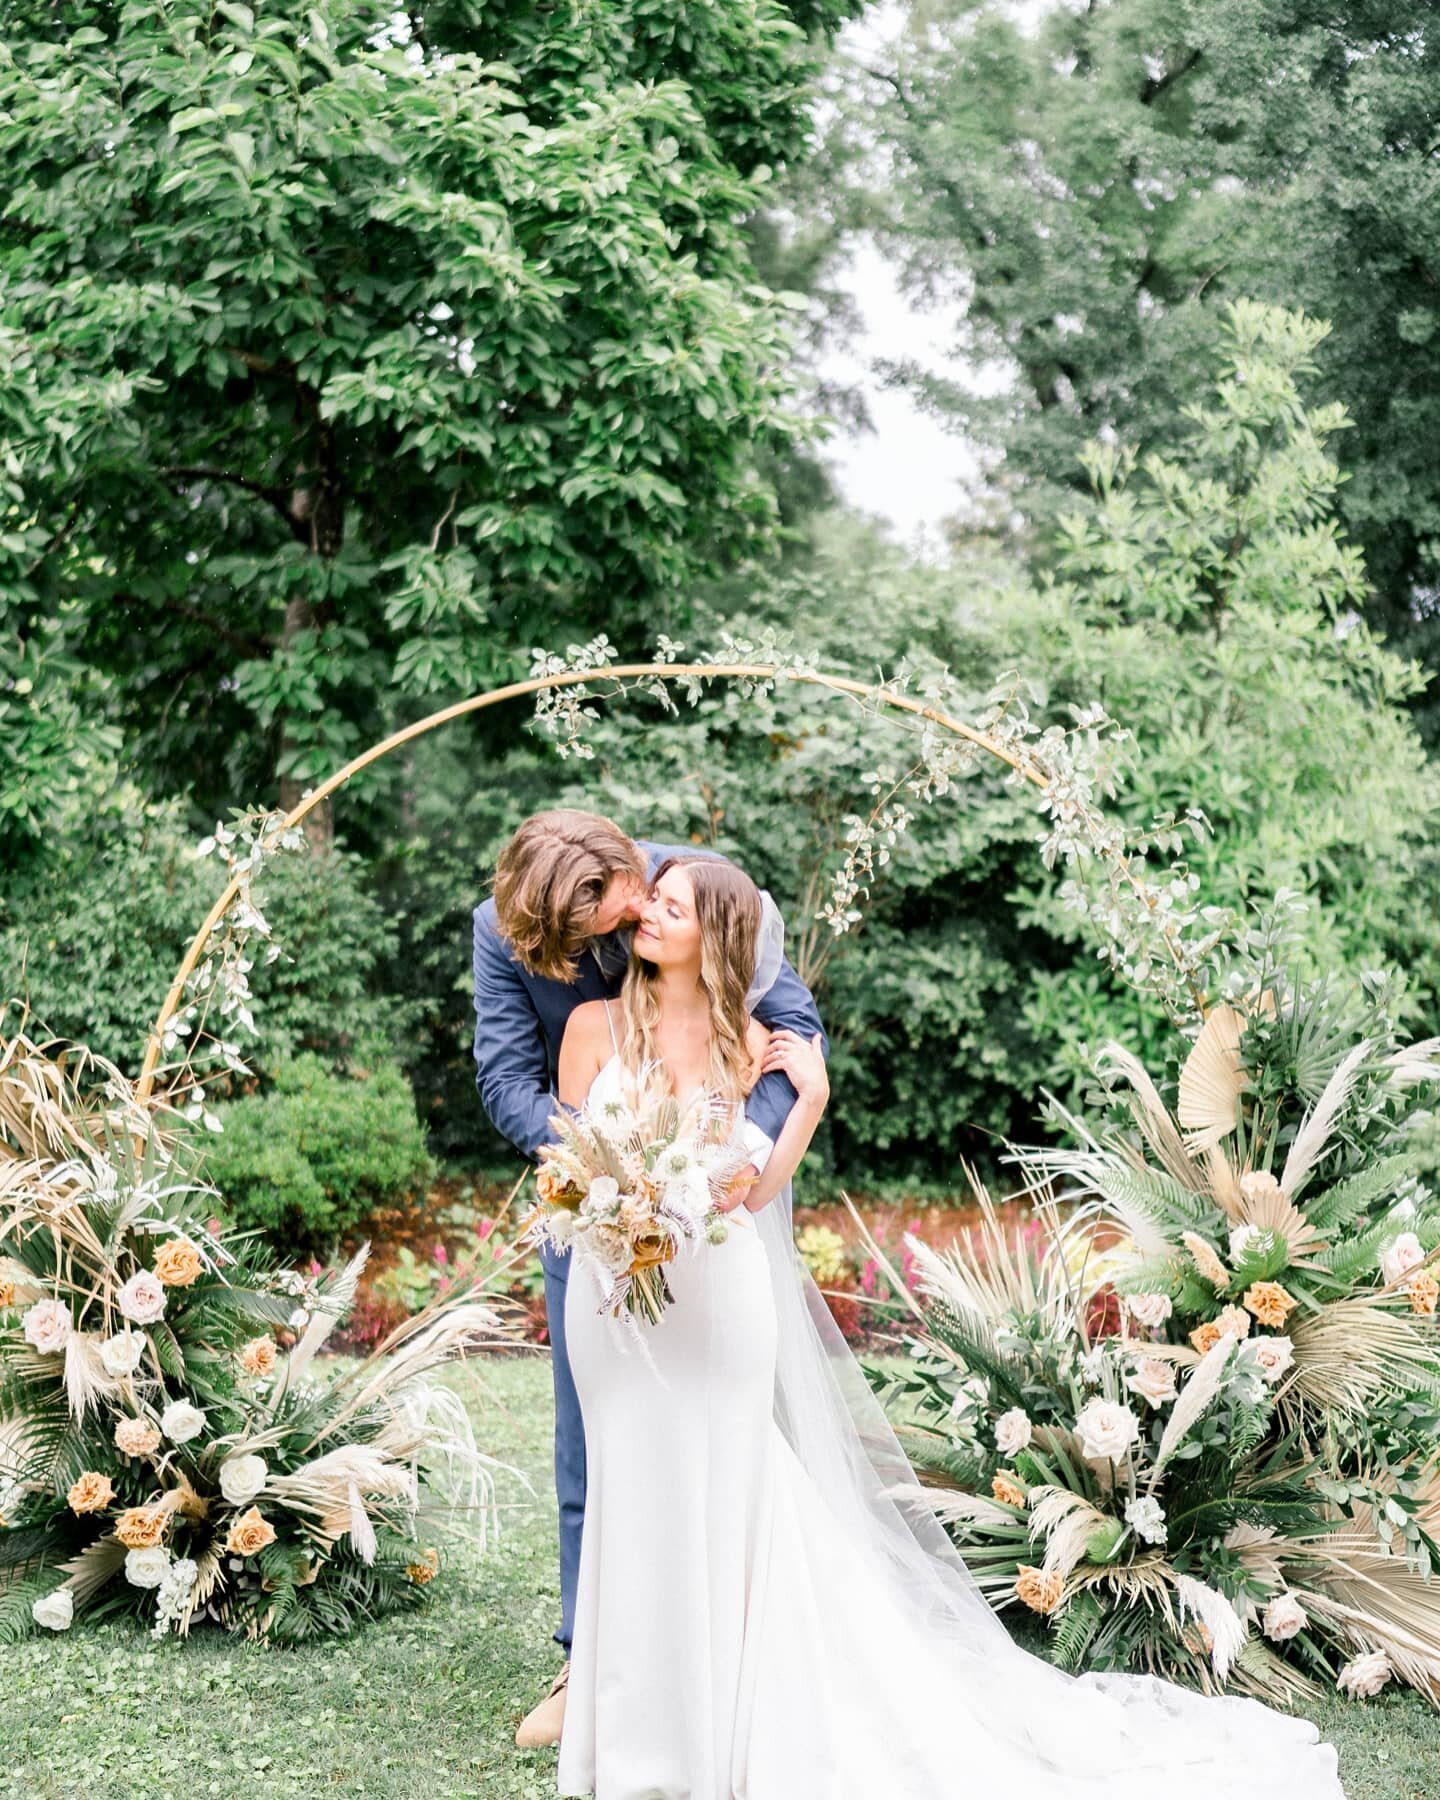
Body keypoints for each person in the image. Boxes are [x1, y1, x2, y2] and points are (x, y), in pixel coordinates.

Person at [549, 853, 1347, 1800]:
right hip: (616, 1315)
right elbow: (571, 1159)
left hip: (718, 1310)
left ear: (712, 936)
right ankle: (637, 1740)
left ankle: (725, 1728)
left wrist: (809, 1097)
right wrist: (612, 1206)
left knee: (726, 1498)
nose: (646, 915)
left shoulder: (749, 1046)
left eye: (671, 908)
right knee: (633, 1500)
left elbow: (753, 1190)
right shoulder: (595, 1028)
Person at [471, 811, 827, 1749]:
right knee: (591, 1441)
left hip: (712, 1218)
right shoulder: (508, 932)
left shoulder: (701, 891)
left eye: (613, 918)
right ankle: (590, 1663)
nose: (610, 943)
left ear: (623, 874)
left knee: (719, 1443)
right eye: (580, 943)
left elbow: (790, 1029)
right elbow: (507, 1077)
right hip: (592, 1218)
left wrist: (731, 1161)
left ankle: (727, 1657)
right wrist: (609, 1176)